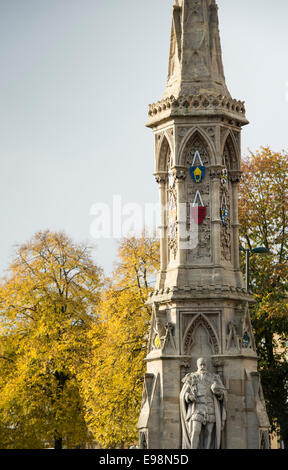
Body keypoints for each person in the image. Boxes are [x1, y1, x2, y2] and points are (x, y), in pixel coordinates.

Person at [180, 357, 226, 449]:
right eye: (200, 364)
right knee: (195, 431)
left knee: (209, 432)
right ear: (197, 365)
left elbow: (223, 394)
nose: (202, 366)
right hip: (197, 408)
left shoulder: (214, 378)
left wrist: (217, 391)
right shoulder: (191, 377)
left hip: (210, 407)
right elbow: (183, 394)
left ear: (207, 365)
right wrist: (189, 397)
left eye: (204, 364)